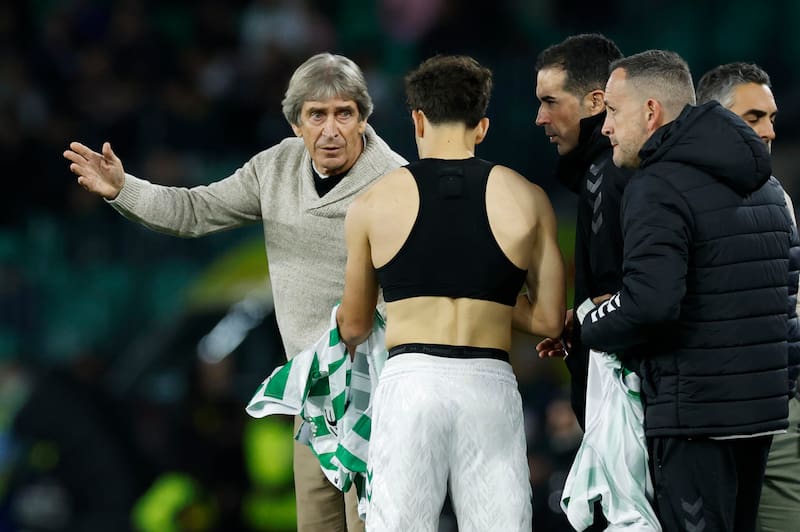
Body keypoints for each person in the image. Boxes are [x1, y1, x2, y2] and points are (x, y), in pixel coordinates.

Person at [63, 52, 407, 532]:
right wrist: (126, 190)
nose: (331, 130)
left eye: (344, 114)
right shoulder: (275, 168)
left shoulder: (397, 183)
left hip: (377, 393)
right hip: (312, 395)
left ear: (364, 118)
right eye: (317, 115)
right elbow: (195, 209)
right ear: (295, 124)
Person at [336, 54, 566, 530]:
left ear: (418, 119)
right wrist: (489, 300)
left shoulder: (371, 203)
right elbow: (548, 320)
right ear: (481, 127)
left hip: (410, 382)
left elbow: (354, 326)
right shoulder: (528, 198)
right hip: (487, 382)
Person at [578, 49, 800, 531]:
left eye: (612, 110)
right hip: (759, 417)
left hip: (696, 419)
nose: (606, 127)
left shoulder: (657, 184)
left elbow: (651, 304)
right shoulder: (770, 188)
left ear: (651, 111)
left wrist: (588, 324)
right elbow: (787, 302)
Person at [697, 61, 800, 532]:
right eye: (754, 117)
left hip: (779, 414)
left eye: (771, 118)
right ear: (713, 120)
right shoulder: (669, 194)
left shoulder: (779, 197)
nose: (770, 131)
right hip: (705, 421)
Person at [533, 33, 633, 435]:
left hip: (622, 402)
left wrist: (589, 320)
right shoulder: (600, 168)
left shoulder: (607, 172)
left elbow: (625, 295)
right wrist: (582, 318)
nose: (540, 118)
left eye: (550, 101)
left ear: (596, 102)